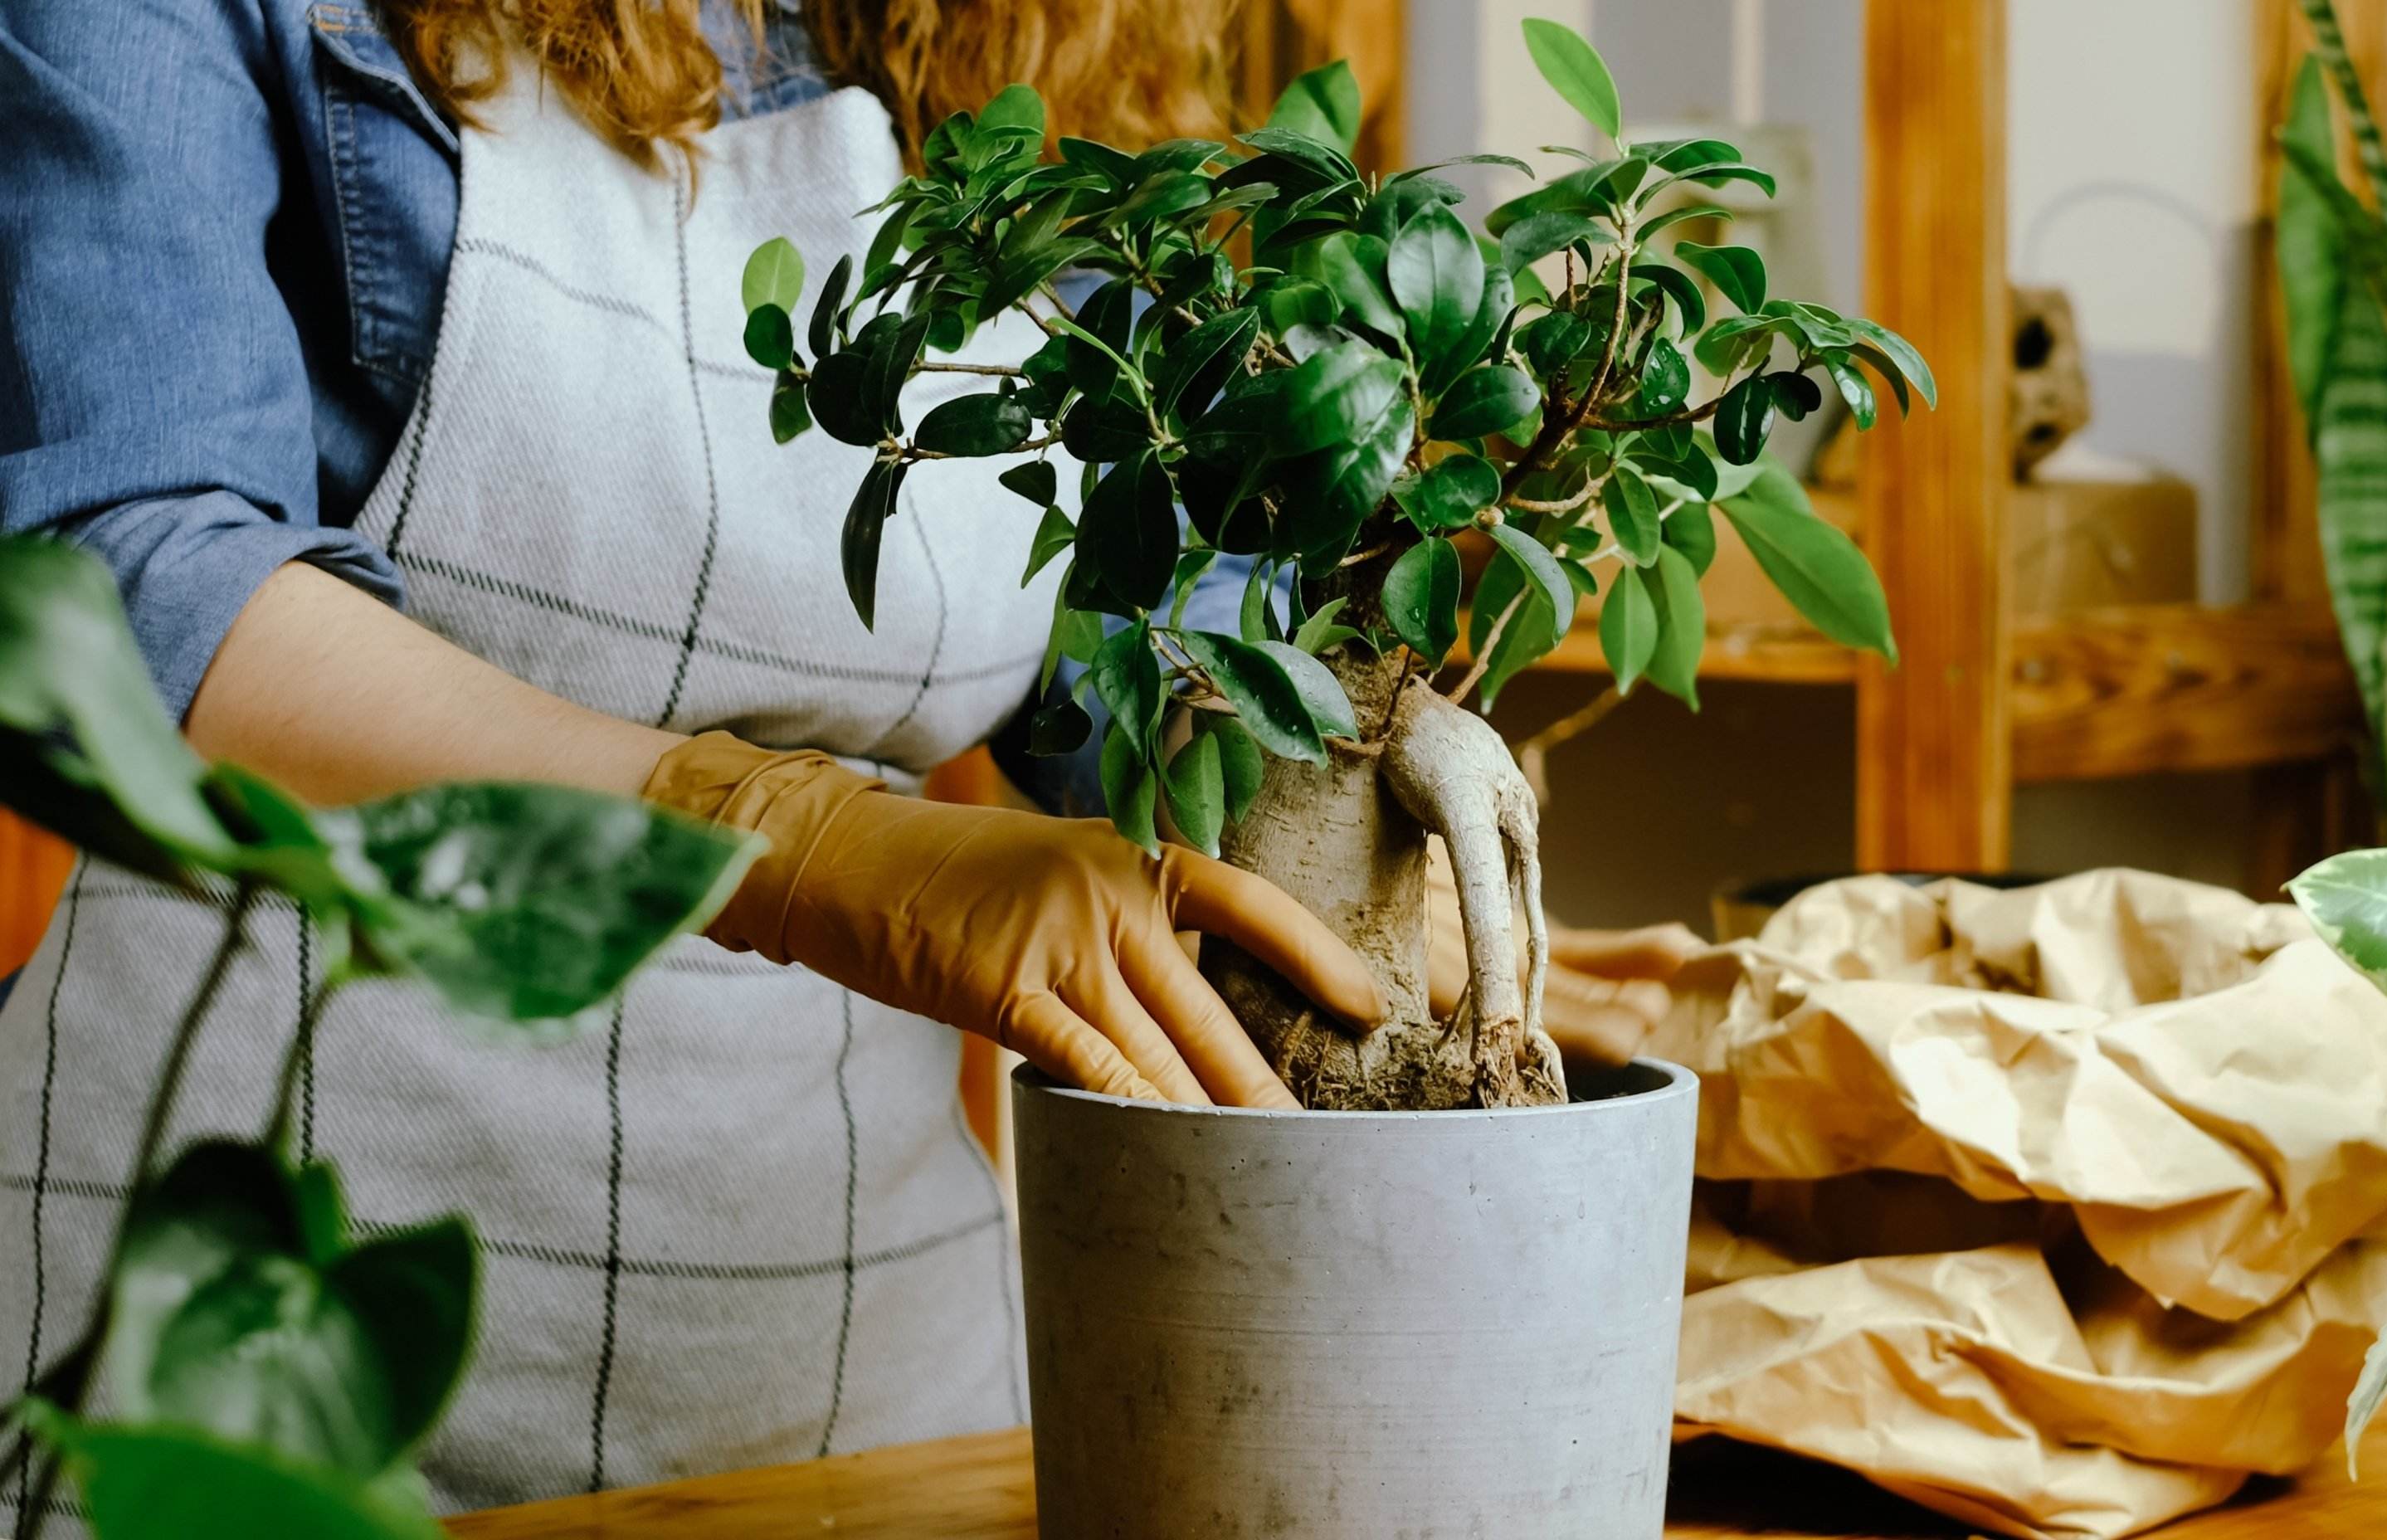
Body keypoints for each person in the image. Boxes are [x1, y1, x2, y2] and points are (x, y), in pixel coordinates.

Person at [0, 0, 1385, 1523]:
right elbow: (125, 567)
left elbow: (1157, 682)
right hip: (264, 1362)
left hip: (870, 1414)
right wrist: (780, 837)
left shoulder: (1044, 54)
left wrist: (1417, 943)